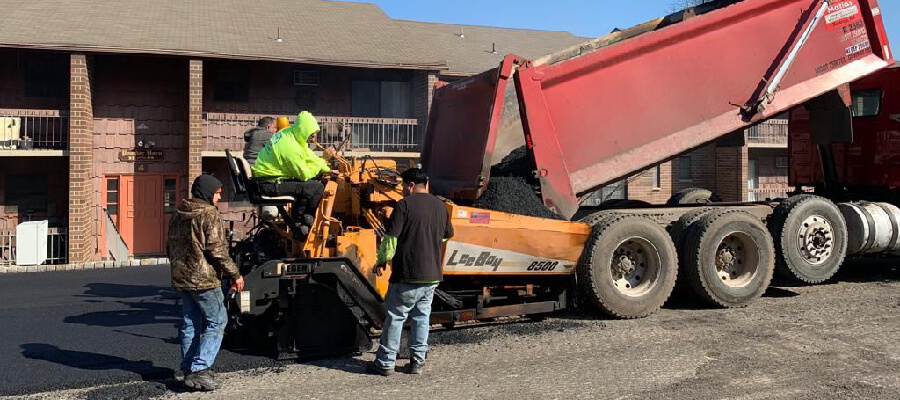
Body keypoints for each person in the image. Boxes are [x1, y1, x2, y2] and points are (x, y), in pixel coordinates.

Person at [366, 168, 454, 376]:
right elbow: (447, 235)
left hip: (408, 273)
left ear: (411, 185)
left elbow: (391, 240)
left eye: (404, 186)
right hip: (432, 275)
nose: (403, 190)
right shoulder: (440, 206)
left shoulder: (404, 205)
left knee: (396, 317)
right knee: (422, 318)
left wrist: (381, 260)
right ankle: (417, 362)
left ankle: (385, 363)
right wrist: (430, 243)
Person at [166, 174, 244, 391]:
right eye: (218, 193)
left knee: (190, 324)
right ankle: (200, 370)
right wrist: (235, 274)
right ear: (208, 193)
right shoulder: (209, 214)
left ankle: (185, 369)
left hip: (181, 278)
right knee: (217, 321)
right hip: (204, 280)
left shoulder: (178, 213)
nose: (219, 196)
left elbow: (169, 246)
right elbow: (217, 251)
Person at [251, 111, 335, 236]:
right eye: (311, 136)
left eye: (314, 135)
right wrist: (323, 160)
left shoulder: (289, 133)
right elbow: (304, 174)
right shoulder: (290, 147)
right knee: (316, 187)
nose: (313, 139)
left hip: (267, 178)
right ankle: (304, 224)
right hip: (268, 183)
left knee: (306, 186)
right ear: (303, 131)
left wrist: (326, 167)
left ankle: (299, 223)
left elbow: (308, 155)